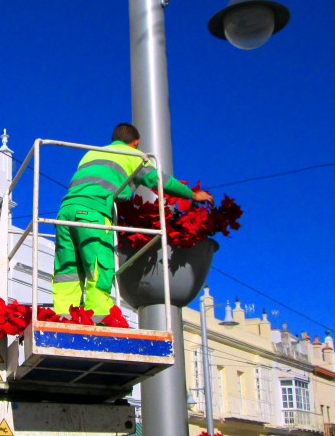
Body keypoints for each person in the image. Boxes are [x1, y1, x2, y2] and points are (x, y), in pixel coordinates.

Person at [51, 123, 213, 314]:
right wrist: (192, 195)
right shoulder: (132, 155)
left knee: (68, 268)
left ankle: (62, 315)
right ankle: (97, 317)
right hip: (94, 212)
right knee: (99, 265)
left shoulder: (91, 153)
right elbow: (158, 179)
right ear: (136, 142)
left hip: (66, 210)